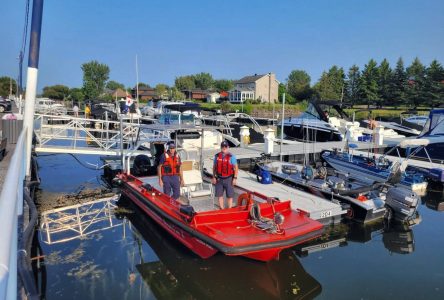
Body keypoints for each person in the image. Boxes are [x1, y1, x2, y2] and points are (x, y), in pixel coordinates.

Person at [212, 141, 238, 209]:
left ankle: (229, 209)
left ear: (228, 147)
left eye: (225, 146)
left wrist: (235, 178)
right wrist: (214, 177)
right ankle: (222, 208)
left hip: (229, 179)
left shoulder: (232, 157)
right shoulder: (217, 156)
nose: (224, 148)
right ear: (221, 147)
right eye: (222, 146)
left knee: (230, 195)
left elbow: (236, 168)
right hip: (219, 179)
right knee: (219, 195)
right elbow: (214, 167)